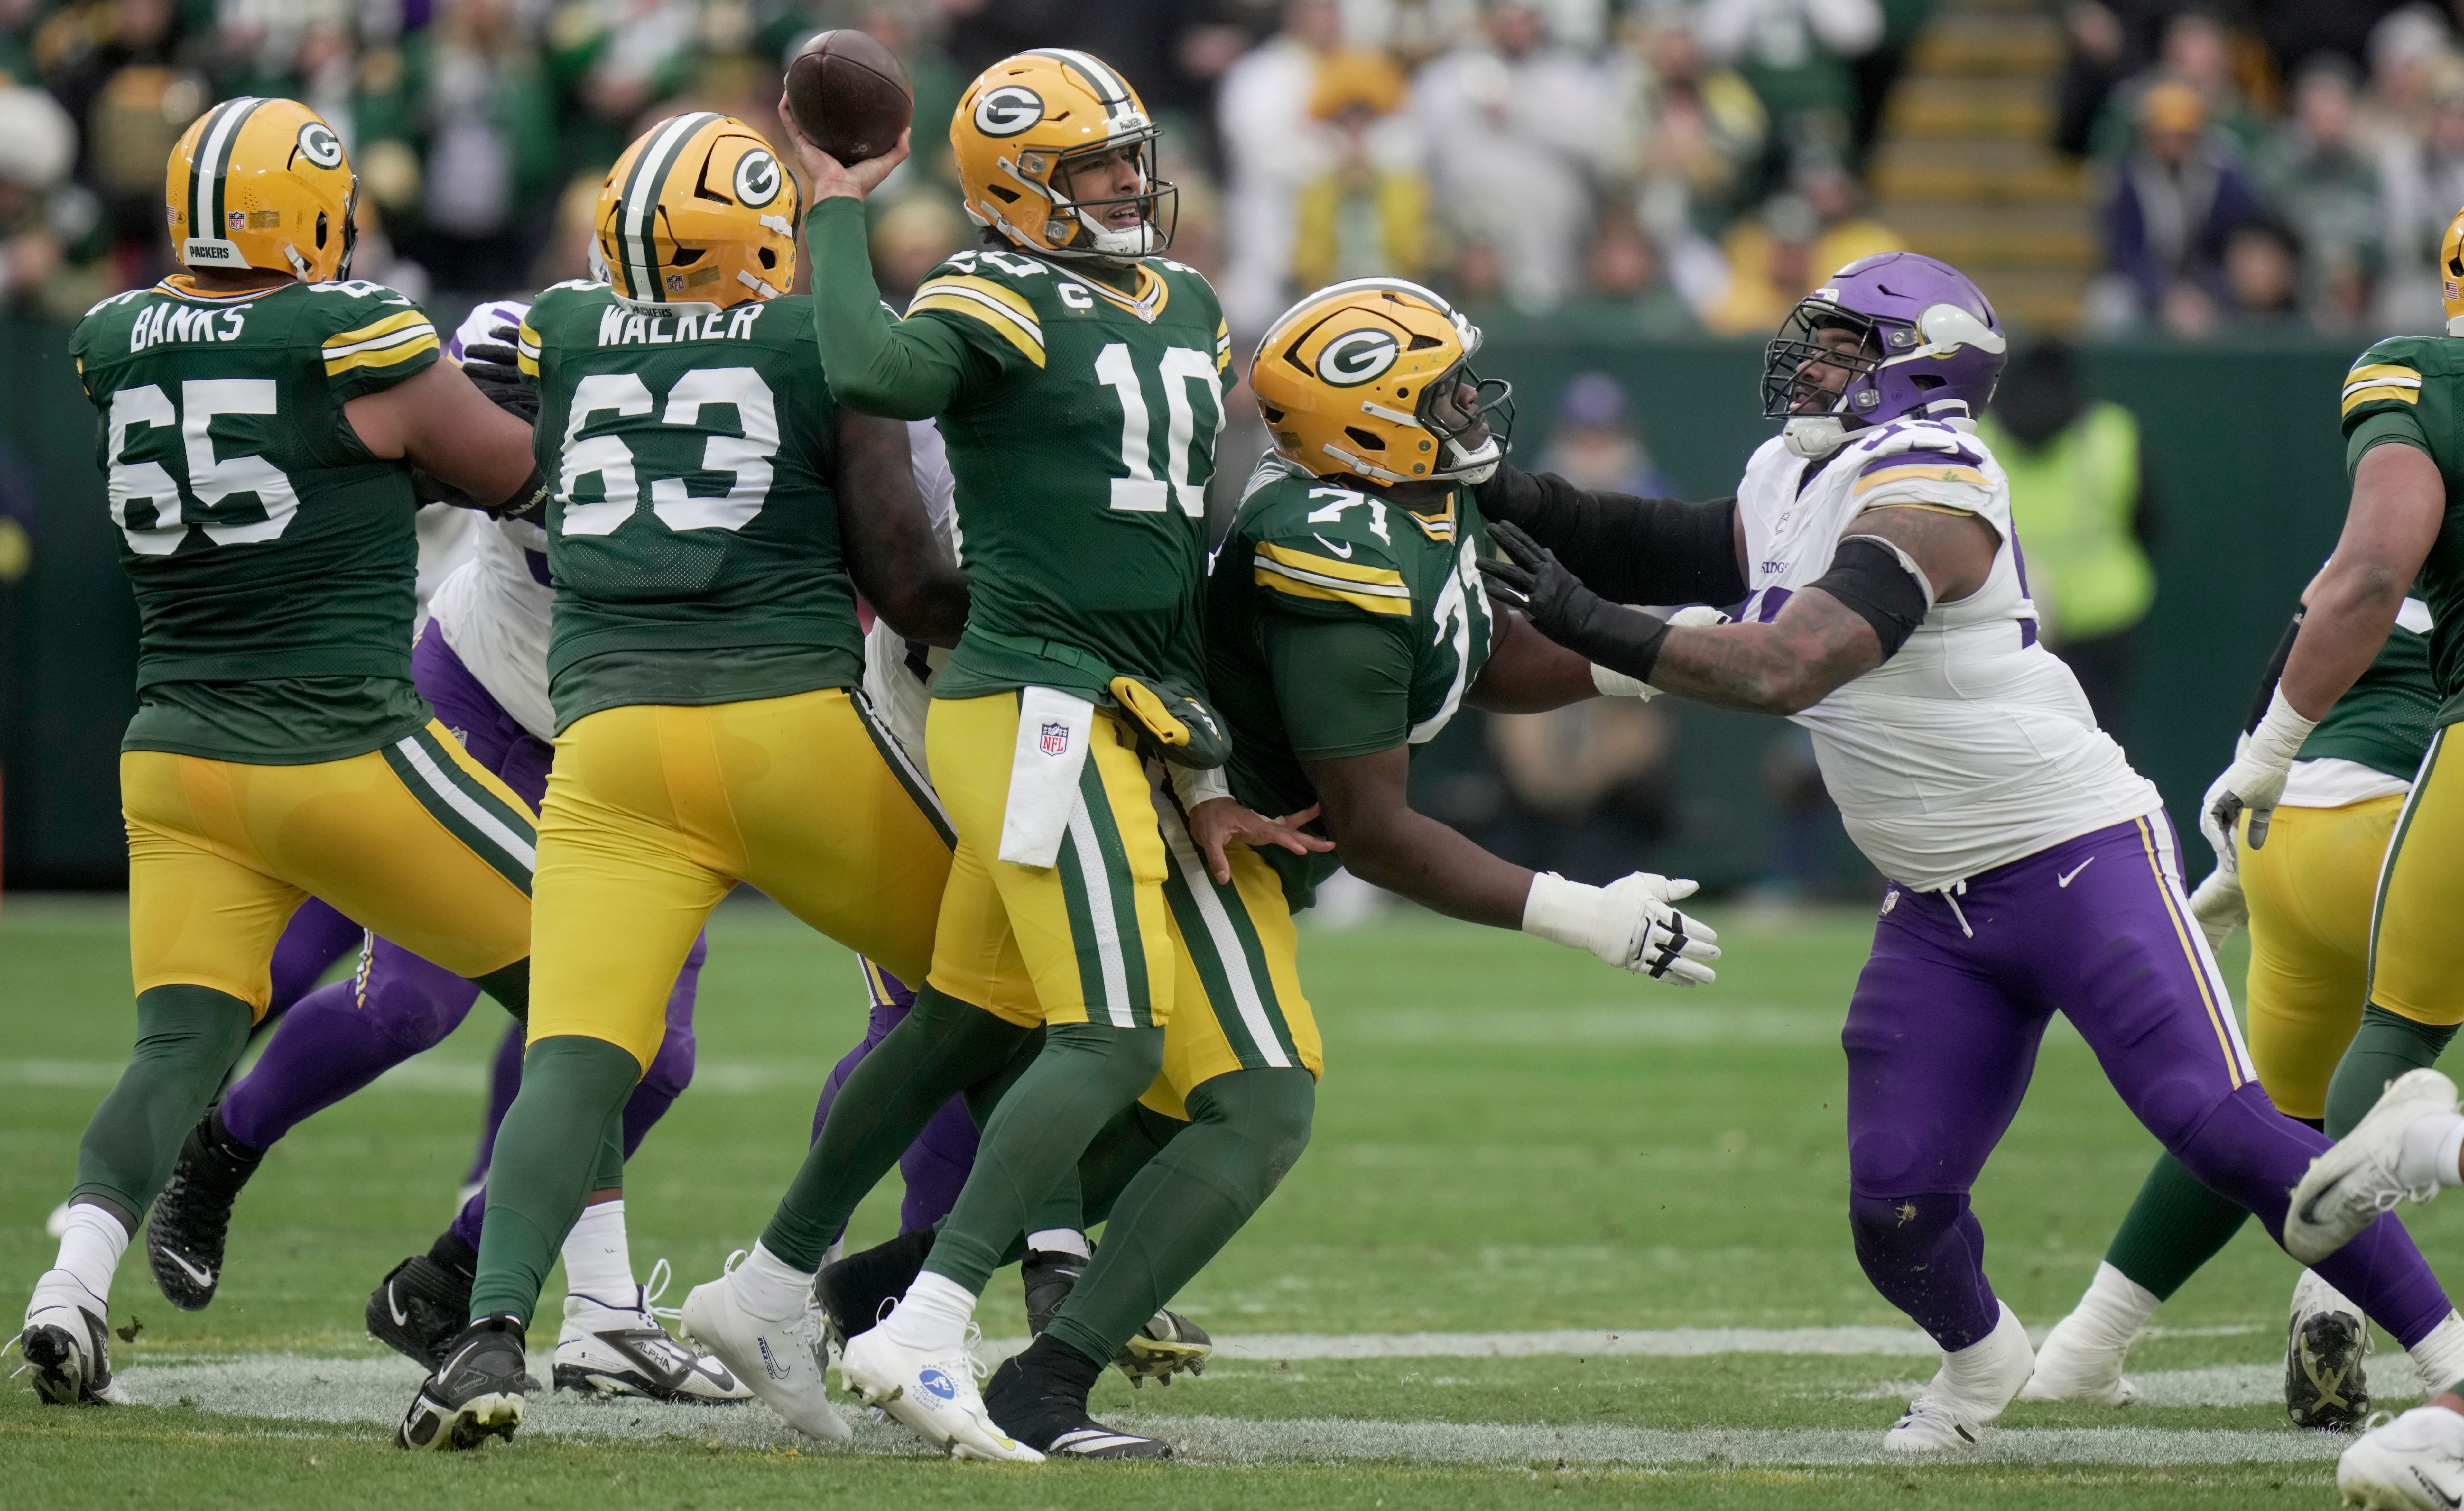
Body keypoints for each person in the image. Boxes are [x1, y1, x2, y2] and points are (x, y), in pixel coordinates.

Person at [1478, 249, 2464, 1453]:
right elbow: (1668, 541)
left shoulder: (1934, 486)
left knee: (2214, 1124)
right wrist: (1513, 497)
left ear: (1919, 366)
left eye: (1845, 344)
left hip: (2070, 854)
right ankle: (1986, 1360)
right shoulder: (1804, 471)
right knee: (1893, 1200)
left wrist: (1583, 620)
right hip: (1935, 901)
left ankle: (2451, 1359)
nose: (1814, 361)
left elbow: (1792, 663)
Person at [818, 277, 1717, 1460]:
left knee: (1148, 1130)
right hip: (1204, 826)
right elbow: (1378, 826)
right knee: (1261, 1105)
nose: (1469, 402)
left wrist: (1642, 660)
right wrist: (1586, 918)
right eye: (1439, 387)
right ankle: (1042, 1381)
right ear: (1370, 418)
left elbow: (1462, 654)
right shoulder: (1333, 545)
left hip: (1229, 831)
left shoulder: (1395, 502)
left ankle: (861, 1290)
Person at [725, 50, 1326, 1463]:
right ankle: (927, 1330)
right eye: (1094, 165)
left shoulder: (1187, 300)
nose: (1129, 181)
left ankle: (763, 1289)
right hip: (1033, 701)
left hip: (1126, 706)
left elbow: (1164, 549)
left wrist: (1200, 763)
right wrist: (836, 207)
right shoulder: (982, 290)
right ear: (1018, 188)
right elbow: (870, 367)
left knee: (955, 1019)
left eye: (1131, 155)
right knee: (1109, 1037)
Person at [387, 110, 980, 1452]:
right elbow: (901, 578)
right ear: (760, 238)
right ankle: (834, 1284)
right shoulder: (813, 341)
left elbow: (457, 406)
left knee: (578, 1053)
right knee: (998, 982)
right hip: (783, 731)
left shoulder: (565, 331)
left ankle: (483, 1330)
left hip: (607, 745)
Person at [15, 96, 548, 1407]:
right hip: (337, 747)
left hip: (175, 759)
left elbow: (303, 461)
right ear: (301, 208)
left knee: (180, 1042)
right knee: (604, 987)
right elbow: (508, 469)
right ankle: (522, 1305)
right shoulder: (345, 329)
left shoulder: (111, 337)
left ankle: (69, 1286)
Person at [137, 299, 741, 1406]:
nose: (495, 444)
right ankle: (219, 1151)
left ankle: (455, 1272)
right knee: (406, 1002)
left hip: (624, 738)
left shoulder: (694, 424)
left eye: (518, 414)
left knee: (650, 1056)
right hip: (477, 706)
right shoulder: (482, 412)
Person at [2024, 579, 2437, 1428]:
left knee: (2264, 1119)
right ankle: (2338, 1293)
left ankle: (2082, 1347)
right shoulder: (2410, 500)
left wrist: (2228, 855)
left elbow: (2296, 656)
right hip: (2399, 828)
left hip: (2281, 833)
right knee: (2397, 1039)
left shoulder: (2393, 516)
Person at [2200, 207, 2464, 1507]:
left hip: (2403, 777)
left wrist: (2267, 749)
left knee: (2391, 1030)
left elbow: (2362, 578)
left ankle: (2422, 1161)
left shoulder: (2424, 374)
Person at [1974, 340, 2155, 738]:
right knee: (2101, 742)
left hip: (2008, 615)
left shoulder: (1979, 437)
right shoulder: (2112, 432)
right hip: (2103, 613)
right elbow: (2150, 520)